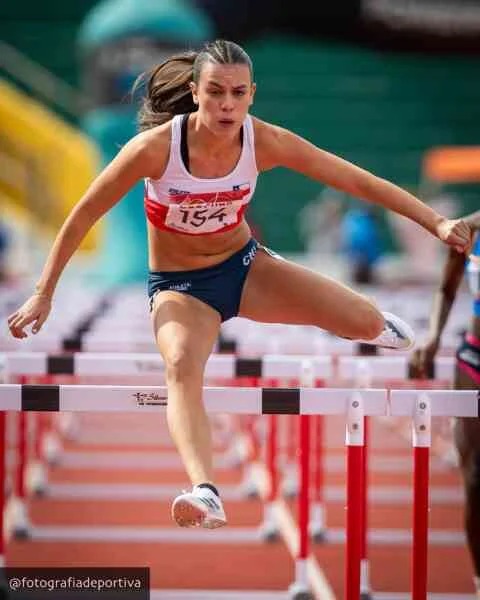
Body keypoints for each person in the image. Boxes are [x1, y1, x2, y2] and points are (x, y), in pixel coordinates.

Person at [7, 40, 472, 529]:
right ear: (194, 92)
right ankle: (204, 490)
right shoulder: (155, 149)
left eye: (237, 93)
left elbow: (358, 182)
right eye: (214, 92)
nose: (226, 105)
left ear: (252, 95)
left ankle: (376, 325)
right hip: (181, 287)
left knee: (364, 321)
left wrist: (436, 222)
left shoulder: (264, 141)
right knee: (183, 365)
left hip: (247, 269)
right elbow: (83, 216)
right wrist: (44, 292)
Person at [409, 209, 480, 597]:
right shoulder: (469, 229)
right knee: (476, 478)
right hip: (475, 358)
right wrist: (433, 337)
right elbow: (446, 289)